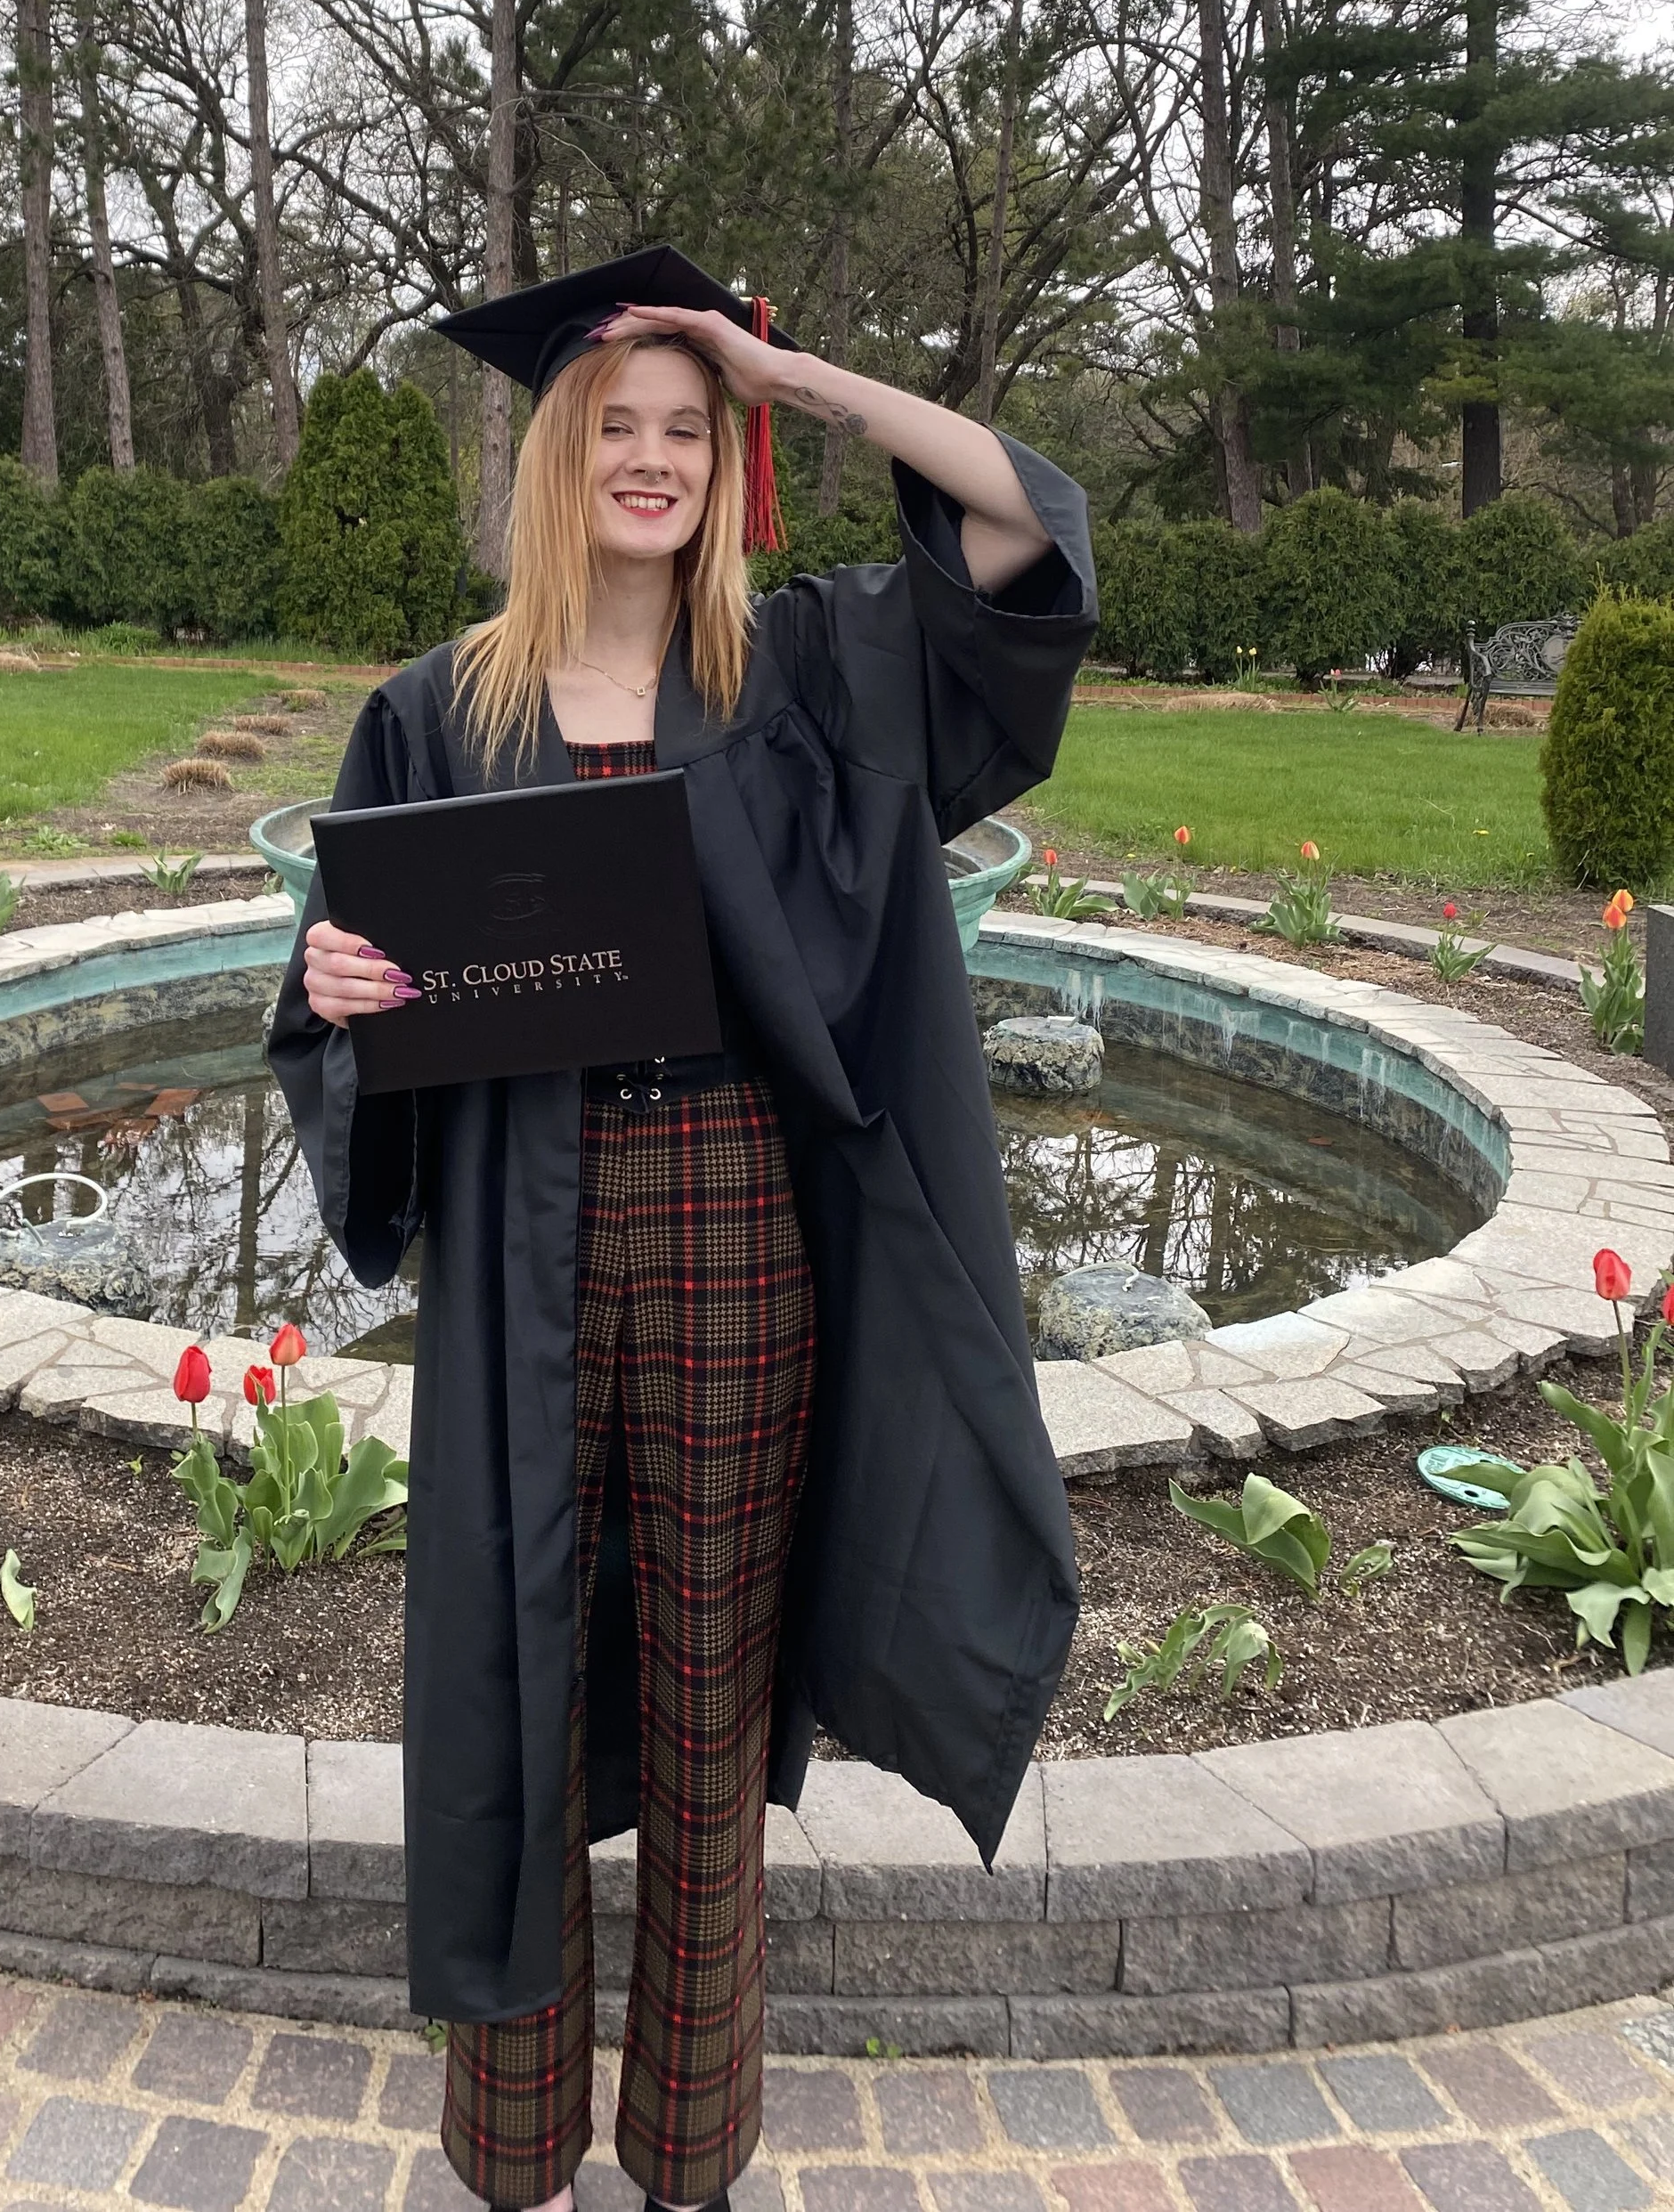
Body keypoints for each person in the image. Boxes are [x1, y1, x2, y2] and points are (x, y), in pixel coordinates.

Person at [267, 247, 1098, 2212]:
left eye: (683, 431)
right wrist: (333, 987)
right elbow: (338, 1004)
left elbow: (1025, 526)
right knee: (521, 1694)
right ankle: (512, 2156)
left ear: (725, 465)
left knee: (710, 1714)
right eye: (613, 428)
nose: (648, 460)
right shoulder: (430, 709)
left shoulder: (806, 671)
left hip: (739, 1237)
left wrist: (783, 373)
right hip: (517, 1245)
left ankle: (689, 2154)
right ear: (555, 461)